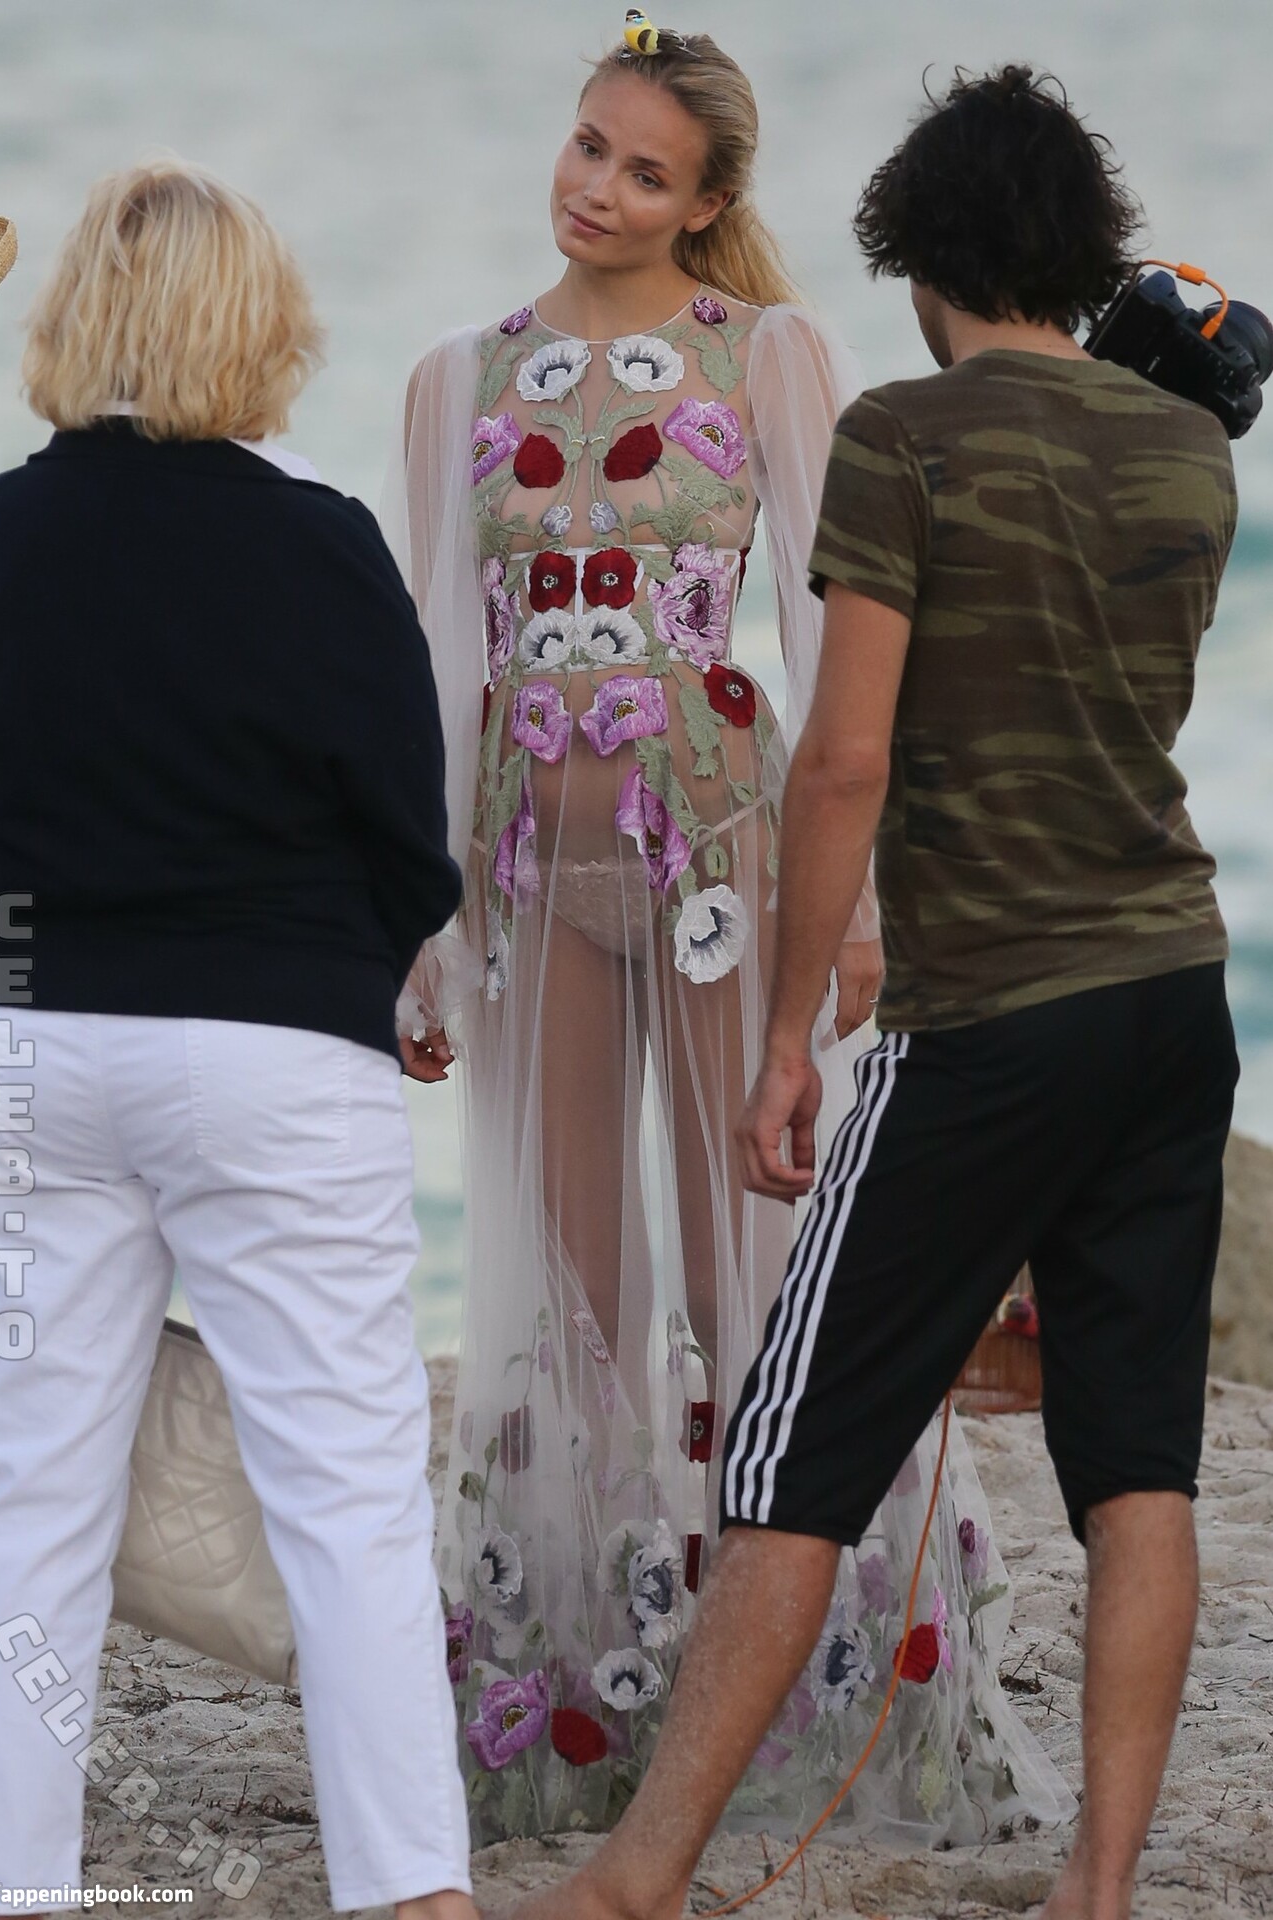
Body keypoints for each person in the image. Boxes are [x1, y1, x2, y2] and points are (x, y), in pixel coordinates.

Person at [515, 63, 1241, 1920]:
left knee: (792, 1438)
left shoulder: (906, 434)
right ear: (1081, 251)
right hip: (1171, 994)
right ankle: (1098, 1889)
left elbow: (840, 761)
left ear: (915, 254)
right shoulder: (1189, 451)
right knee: (1136, 1466)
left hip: (985, 1005)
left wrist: (785, 1036)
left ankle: (638, 1877)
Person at [381, 24, 1073, 1848]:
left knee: (745, 1277)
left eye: (643, 172)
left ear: (705, 204)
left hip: (722, 866)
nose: (596, 189)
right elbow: (437, 664)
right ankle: (582, 1699)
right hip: (525, 884)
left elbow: (851, 635)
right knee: (570, 1287)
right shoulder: (454, 380)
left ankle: (824, 1689)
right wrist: (420, 926)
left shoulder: (766, 354)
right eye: (585, 147)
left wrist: (870, 915)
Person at [0, 160, 475, 1920]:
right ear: (258, 330)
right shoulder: (319, 541)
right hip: (272, 1053)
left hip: (28, 1045)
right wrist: (385, 962)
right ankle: (409, 1890)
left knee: (27, 1505)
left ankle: (14, 1884)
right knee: (346, 1497)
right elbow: (407, 833)